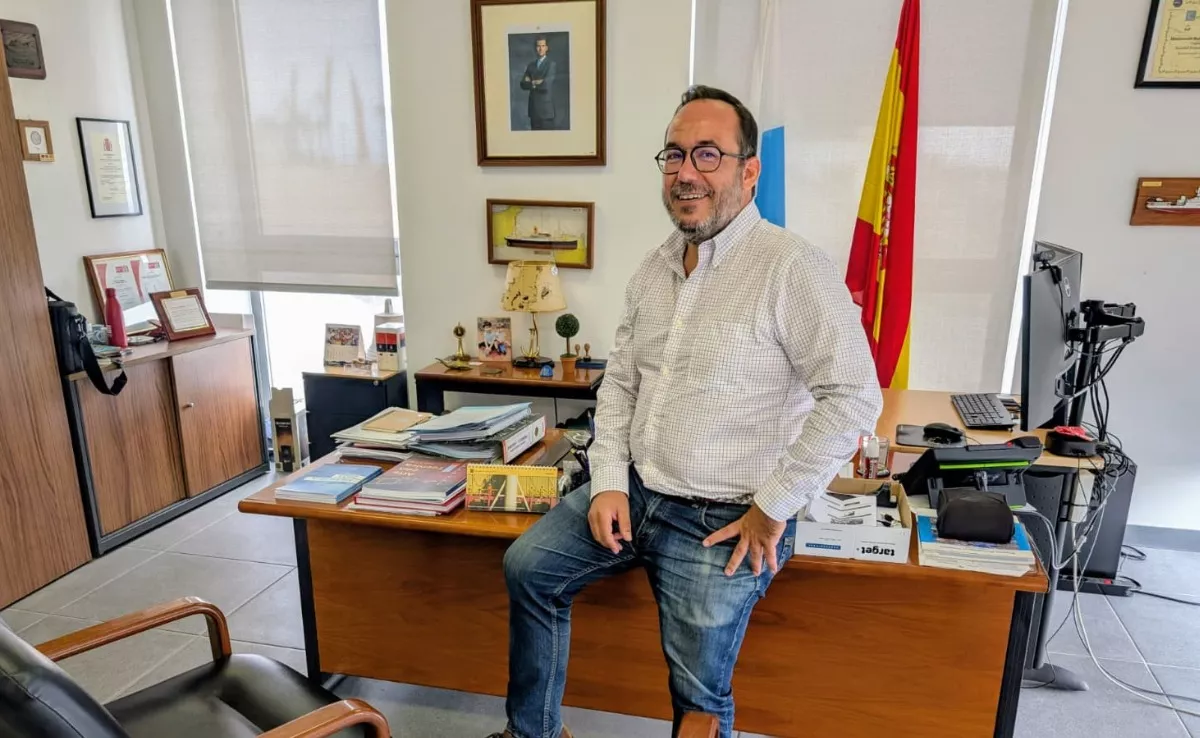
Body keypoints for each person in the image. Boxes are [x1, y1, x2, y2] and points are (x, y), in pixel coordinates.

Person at [488, 85, 883, 738]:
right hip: (638, 490)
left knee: (696, 689)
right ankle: (533, 732)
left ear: (748, 171)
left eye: (707, 154)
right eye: (674, 155)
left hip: (726, 517)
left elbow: (854, 397)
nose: (686, 173)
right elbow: (618, 390)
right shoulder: (652, 271)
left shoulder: (792, 269)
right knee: (528, 569)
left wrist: (774, 506)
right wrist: (608, 484)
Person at [519, 37, 557, 130]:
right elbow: (523, 84)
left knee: (548, 141)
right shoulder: (531, 65)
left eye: (543, 46)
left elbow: (546, 85)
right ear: (535, 48)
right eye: (538, 46)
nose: (540, 48)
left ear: (546, 48)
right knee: (534, 141)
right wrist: (536, 82)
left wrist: (531, 82)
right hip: (533, 111)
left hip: (546, 111)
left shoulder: (551, 64)